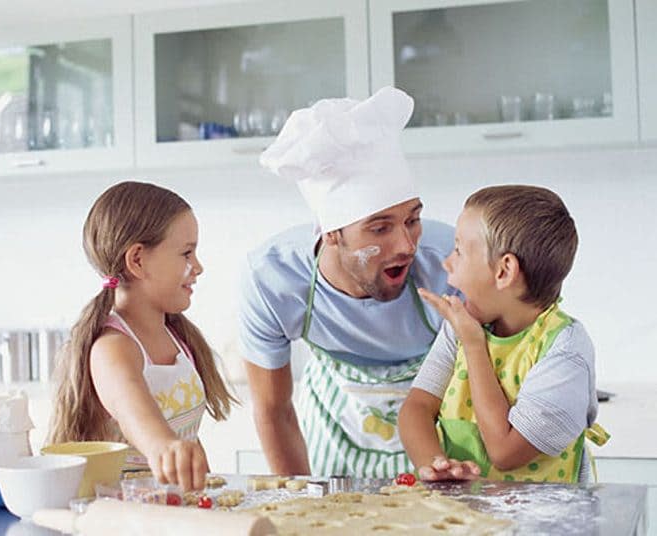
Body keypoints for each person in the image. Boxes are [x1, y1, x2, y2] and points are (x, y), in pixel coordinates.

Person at [240, 86, 456, 478]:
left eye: (412, 219)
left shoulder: (451, 262)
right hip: (331, 436)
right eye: (379, 228)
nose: (406, 245)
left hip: (435, 440)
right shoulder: (273, 279)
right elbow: (273, 409)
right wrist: (301, 502)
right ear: (331, 234)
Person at [400, 185, 609, 483]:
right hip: (468, 521)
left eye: (459, 250)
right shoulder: (460, 327)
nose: (447, 263)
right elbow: (417, 407)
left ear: (504, 271)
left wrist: (474, 346)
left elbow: (504, 452)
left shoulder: (565, 348)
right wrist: (437, 465)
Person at [48, 181, 237, 491]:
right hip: (125, 516)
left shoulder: (177, 337)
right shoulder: (113, 349)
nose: (198, 267)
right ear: (137, 260)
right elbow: (140, 421)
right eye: (186, 253)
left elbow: (185, 440)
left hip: (169, 509)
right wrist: (164, 447)